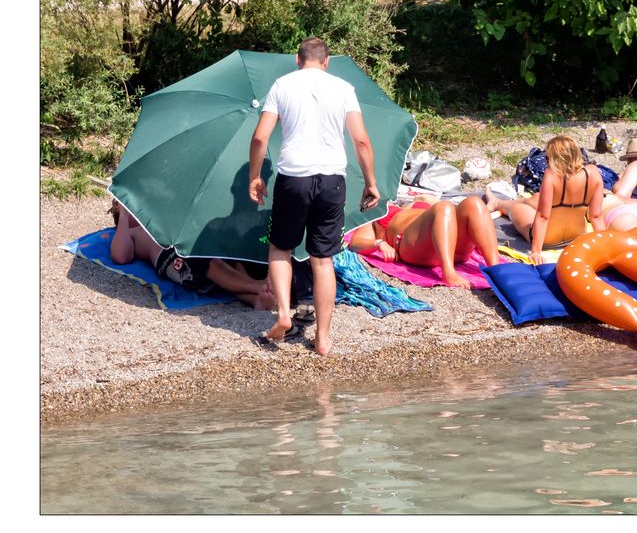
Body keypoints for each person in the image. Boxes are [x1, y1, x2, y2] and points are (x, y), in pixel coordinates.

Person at [249, 36, 380, 355]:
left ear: (298, 59)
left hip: (293, 178)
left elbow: (260, 136)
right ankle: (322, 338)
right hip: (332, 179)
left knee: (281, 248)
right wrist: (370, 182)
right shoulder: (343, 88)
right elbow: (361, 141)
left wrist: (255, 176)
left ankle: (282, 314)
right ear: (326, 61)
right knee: (323, 260)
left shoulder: (282, 85)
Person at [109, 200, 276, 310]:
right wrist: (123, 215)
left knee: (232, 262)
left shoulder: (154, 218)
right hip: (171, 256)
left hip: (187, 244)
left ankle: (256, 300)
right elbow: (120, 257)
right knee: (211, 264)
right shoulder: (131, 232)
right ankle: (258, 286)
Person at [484, 135, 606, 264]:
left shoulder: (551, 175)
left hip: (548, 240)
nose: (546, 162)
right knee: (536, 199)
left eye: (547, 158)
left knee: (517, 208)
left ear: (553, 158)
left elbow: (543, 217)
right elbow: (596, 216)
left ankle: (497, 203)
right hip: (575, 236)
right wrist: (605, 246)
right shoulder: (593, 172)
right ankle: (497, 202)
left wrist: (536, 251)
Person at [348, 195, 501, 289]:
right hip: (412, 247)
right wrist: (380, 243)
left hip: (451, 247)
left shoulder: (413, 203)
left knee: (474, 202)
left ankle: (496, 270)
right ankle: (448, 272)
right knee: (444, 206)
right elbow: (355, 243)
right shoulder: (373, 213)